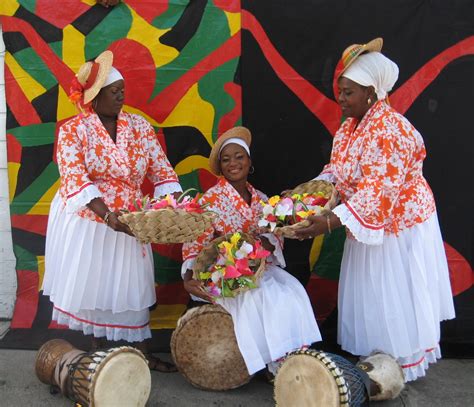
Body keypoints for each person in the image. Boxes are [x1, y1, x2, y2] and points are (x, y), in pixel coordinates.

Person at [295, 38, 455, 381]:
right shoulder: (350, 127)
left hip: (398, 229)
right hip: (366, 224)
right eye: (340, 90)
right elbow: (336, 171)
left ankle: (398, 369)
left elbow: (377, 194)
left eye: (348, 91)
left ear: (371, 93)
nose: (340, 97)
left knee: (393, 296)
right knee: (373, 297)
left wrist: (325, 224)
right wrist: (302, 194)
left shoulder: (389, 131)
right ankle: (378, 363)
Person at [42, 50, 182, 372]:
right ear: (95, 96)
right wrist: (108, 216)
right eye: (114, 91)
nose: (122, 95)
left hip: (130, 218)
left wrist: (175, 206)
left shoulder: (139, 127)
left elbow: (162, 171)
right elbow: (76, 177)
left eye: (122, 90)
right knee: (97, 282)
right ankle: (98, 354)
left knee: (133, 284)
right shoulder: (74, 131)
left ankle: (144, 352)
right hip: (90, 217)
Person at [181, 126, 322, 376]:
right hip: (227, 276)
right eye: (226, 159)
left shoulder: (263, 199)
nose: (233, 163)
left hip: (259, 269)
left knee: (292, 292)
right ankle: (275, 364)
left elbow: (275, 235)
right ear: (220, 168)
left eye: (239, 157)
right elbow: (195, 242)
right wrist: (189, 276)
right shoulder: (209, 201)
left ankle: (291, 358)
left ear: (249, 162)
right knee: (261, 298)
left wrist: (268, 242)